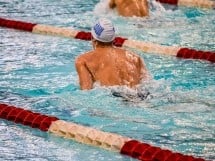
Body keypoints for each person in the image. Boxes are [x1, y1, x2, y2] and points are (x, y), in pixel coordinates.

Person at [75, 18, 148, 90]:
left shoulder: (83, 60)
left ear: (93, 38)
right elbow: (146, 84)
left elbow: (86, 90)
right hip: (142, 96)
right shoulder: (135, 57)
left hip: (115, 97)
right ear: (113, 38)